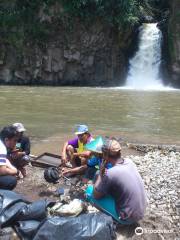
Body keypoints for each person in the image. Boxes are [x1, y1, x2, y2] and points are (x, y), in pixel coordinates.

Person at [85, 138, 147, 224]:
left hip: (127, 218)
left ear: (105, 156)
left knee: (89, 191)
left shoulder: (110, 173)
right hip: (141, 212)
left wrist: (100, 173)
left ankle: (116, 220)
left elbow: (96, 195)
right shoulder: (129, 162)